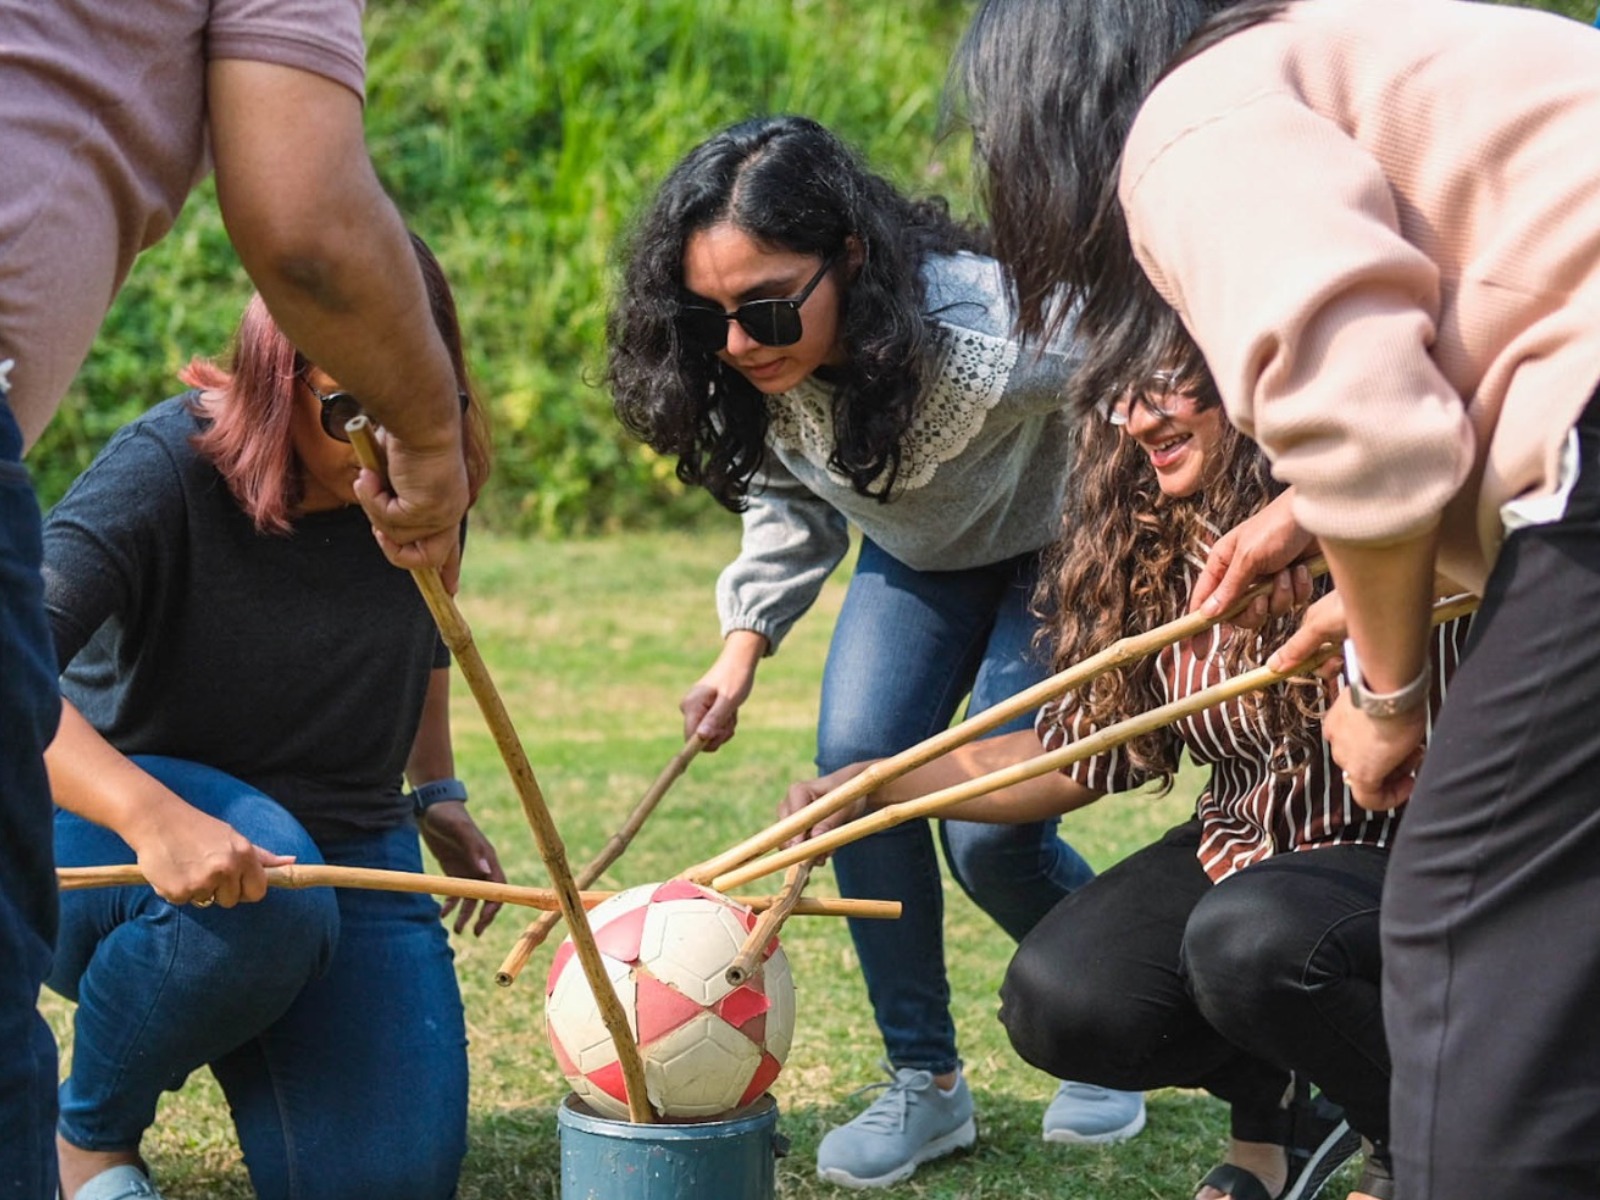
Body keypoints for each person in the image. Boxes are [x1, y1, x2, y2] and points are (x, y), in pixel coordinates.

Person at [953, 1, 1600, 1197]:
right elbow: (1464, 358)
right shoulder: (1344, 60)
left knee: (1466, 921)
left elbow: (1372, 434)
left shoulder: (1192, 121)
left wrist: (1384, 690)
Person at [606, 113, 1144, 1188]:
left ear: (848, 257)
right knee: (846, 783)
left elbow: (1153, 357)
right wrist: (740, 644)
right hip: (921, 562)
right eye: (708, 317)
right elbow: (786, 496)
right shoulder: (745, 359)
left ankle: (1107, 1032)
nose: (739, 344)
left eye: (763, 308)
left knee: (993, 837)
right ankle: (925, 1084)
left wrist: (1158, 529)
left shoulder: (996, 329)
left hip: (1060, 552)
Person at [784, 369, 1471, 1200]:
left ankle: (1420, 1140)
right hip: (1250, 844)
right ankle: (1285, 1110)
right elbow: (1076, 751)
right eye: (1123, 393)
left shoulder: (1393, 485)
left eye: (1171, 386)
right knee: (1062, 1000)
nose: (1141, 418)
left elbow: (1502, 557)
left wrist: (1345, 566)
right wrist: (875, 786)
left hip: (1422, 852)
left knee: (1247, 941)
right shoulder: (1152, 535)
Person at [0, 6, 471, 1196]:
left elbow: (422, 642)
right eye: (343, 405)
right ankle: (87, 1131)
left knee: (392, 1180)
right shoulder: (168, 471)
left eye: (406, 398)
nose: (376, 436)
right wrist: (154, 819)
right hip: (111, 832)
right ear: (280, 372)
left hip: (340, 850)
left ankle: (248, 991)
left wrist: (439, 788)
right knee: (261, 899)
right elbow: (13, 683)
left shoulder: (414, 472)